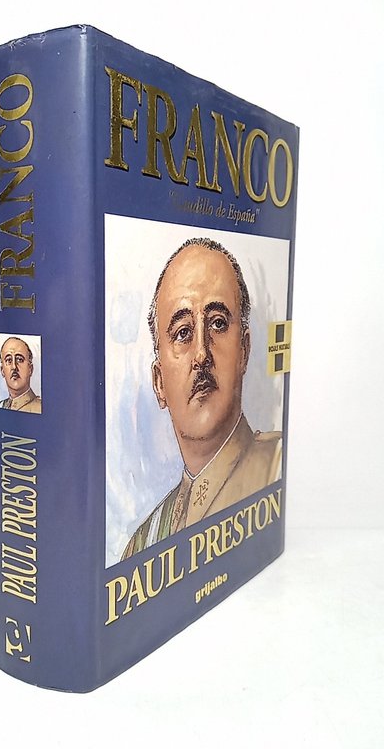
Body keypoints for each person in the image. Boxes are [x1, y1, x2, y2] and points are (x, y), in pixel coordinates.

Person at [122, 237, 281, 559]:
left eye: (218, 324)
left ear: (244, 351)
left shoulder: (278, 467)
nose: (201, 354)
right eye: (183, 332)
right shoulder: (141, 546)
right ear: (159, 383)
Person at [0, 336, 42, 413]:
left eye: (19, 360)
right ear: (2, 370)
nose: (14, 367)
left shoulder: (40, 408)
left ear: (30, 369)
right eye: (9, 360)